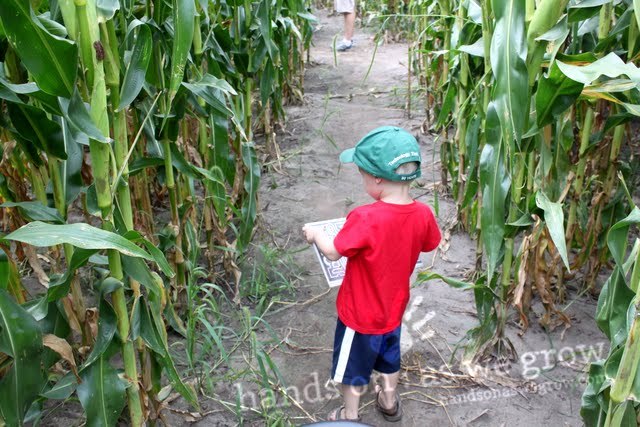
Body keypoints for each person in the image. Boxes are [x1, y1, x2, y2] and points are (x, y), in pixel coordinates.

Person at [302, 126, 442, 421]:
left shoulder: (365, 217)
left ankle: (349, 415)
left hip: (360, 314)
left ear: (377, 178)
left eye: (363, 173)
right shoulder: (424, 214)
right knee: (390, 358)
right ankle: (389, 402)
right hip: (393, 309)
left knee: (351, 369)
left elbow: (333, 251)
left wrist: (315, 234)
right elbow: (430, 243)